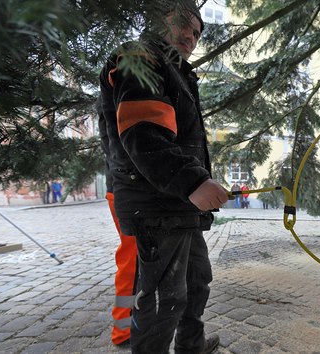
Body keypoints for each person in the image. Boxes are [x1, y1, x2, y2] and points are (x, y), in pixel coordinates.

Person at [98, 1, 228, 353]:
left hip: (176, 203)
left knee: (196, 282)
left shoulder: (174, 69)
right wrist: (193, 182)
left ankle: (192, 345)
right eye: (184, 23)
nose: (191, 35)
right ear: (159, 18)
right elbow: (143, 133)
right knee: (164, 297)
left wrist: (193, 185)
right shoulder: (139, 57)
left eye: (198, 33)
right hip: (155, 204)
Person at [97, 99, 137, 346]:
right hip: (129, 190)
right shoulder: (126, 80)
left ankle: (127, 327)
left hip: (123, 187)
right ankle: (123, 330)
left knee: (132, 261)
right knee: (132, 262)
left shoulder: (111, 87)